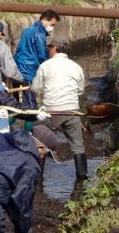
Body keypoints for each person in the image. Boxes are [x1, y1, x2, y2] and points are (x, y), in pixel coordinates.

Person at [31, 38, 88, 181]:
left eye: (49, 48)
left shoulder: (46, 65)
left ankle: (38, 179)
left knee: (41, 143)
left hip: (52, 112)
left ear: (54, 48)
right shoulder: (76, 67)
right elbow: (80, 90)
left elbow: (36, 89)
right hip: (72, 111)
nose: (48, 51)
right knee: (78, 147)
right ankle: (82, 179)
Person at [13, 9, 60, 131]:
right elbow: (41, 54)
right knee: (31, 107)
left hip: (17, 68)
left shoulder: (28, 30)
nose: (52, 28)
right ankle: (28, 135)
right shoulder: (39, 33)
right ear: (45, 20)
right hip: (28, 71)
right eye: (52, 24)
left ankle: (6, 131)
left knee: (13, 103)